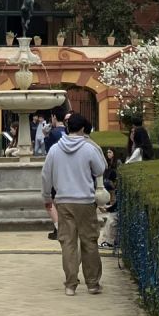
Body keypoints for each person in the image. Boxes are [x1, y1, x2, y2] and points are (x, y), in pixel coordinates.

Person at [41, 113, 108, 296]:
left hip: (63, 201)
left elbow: (46, 175)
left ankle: (70, 284)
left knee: (68, 243)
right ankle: (93, 284)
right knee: (89, 241)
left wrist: (47, 196)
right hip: (85, 201)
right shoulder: (88, 148)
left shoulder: (55, 149)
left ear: (67, 127)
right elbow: (100, 169)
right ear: (83, 129)